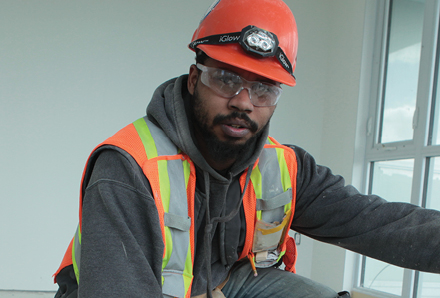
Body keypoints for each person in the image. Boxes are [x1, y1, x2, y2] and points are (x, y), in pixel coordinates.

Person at [53, 0, 440, 297]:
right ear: (193, 79)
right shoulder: (129, 168)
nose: (243, 101)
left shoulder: (283, 166)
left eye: (263, 89)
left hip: (225, 283)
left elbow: (379, 222)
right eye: (225, 79)